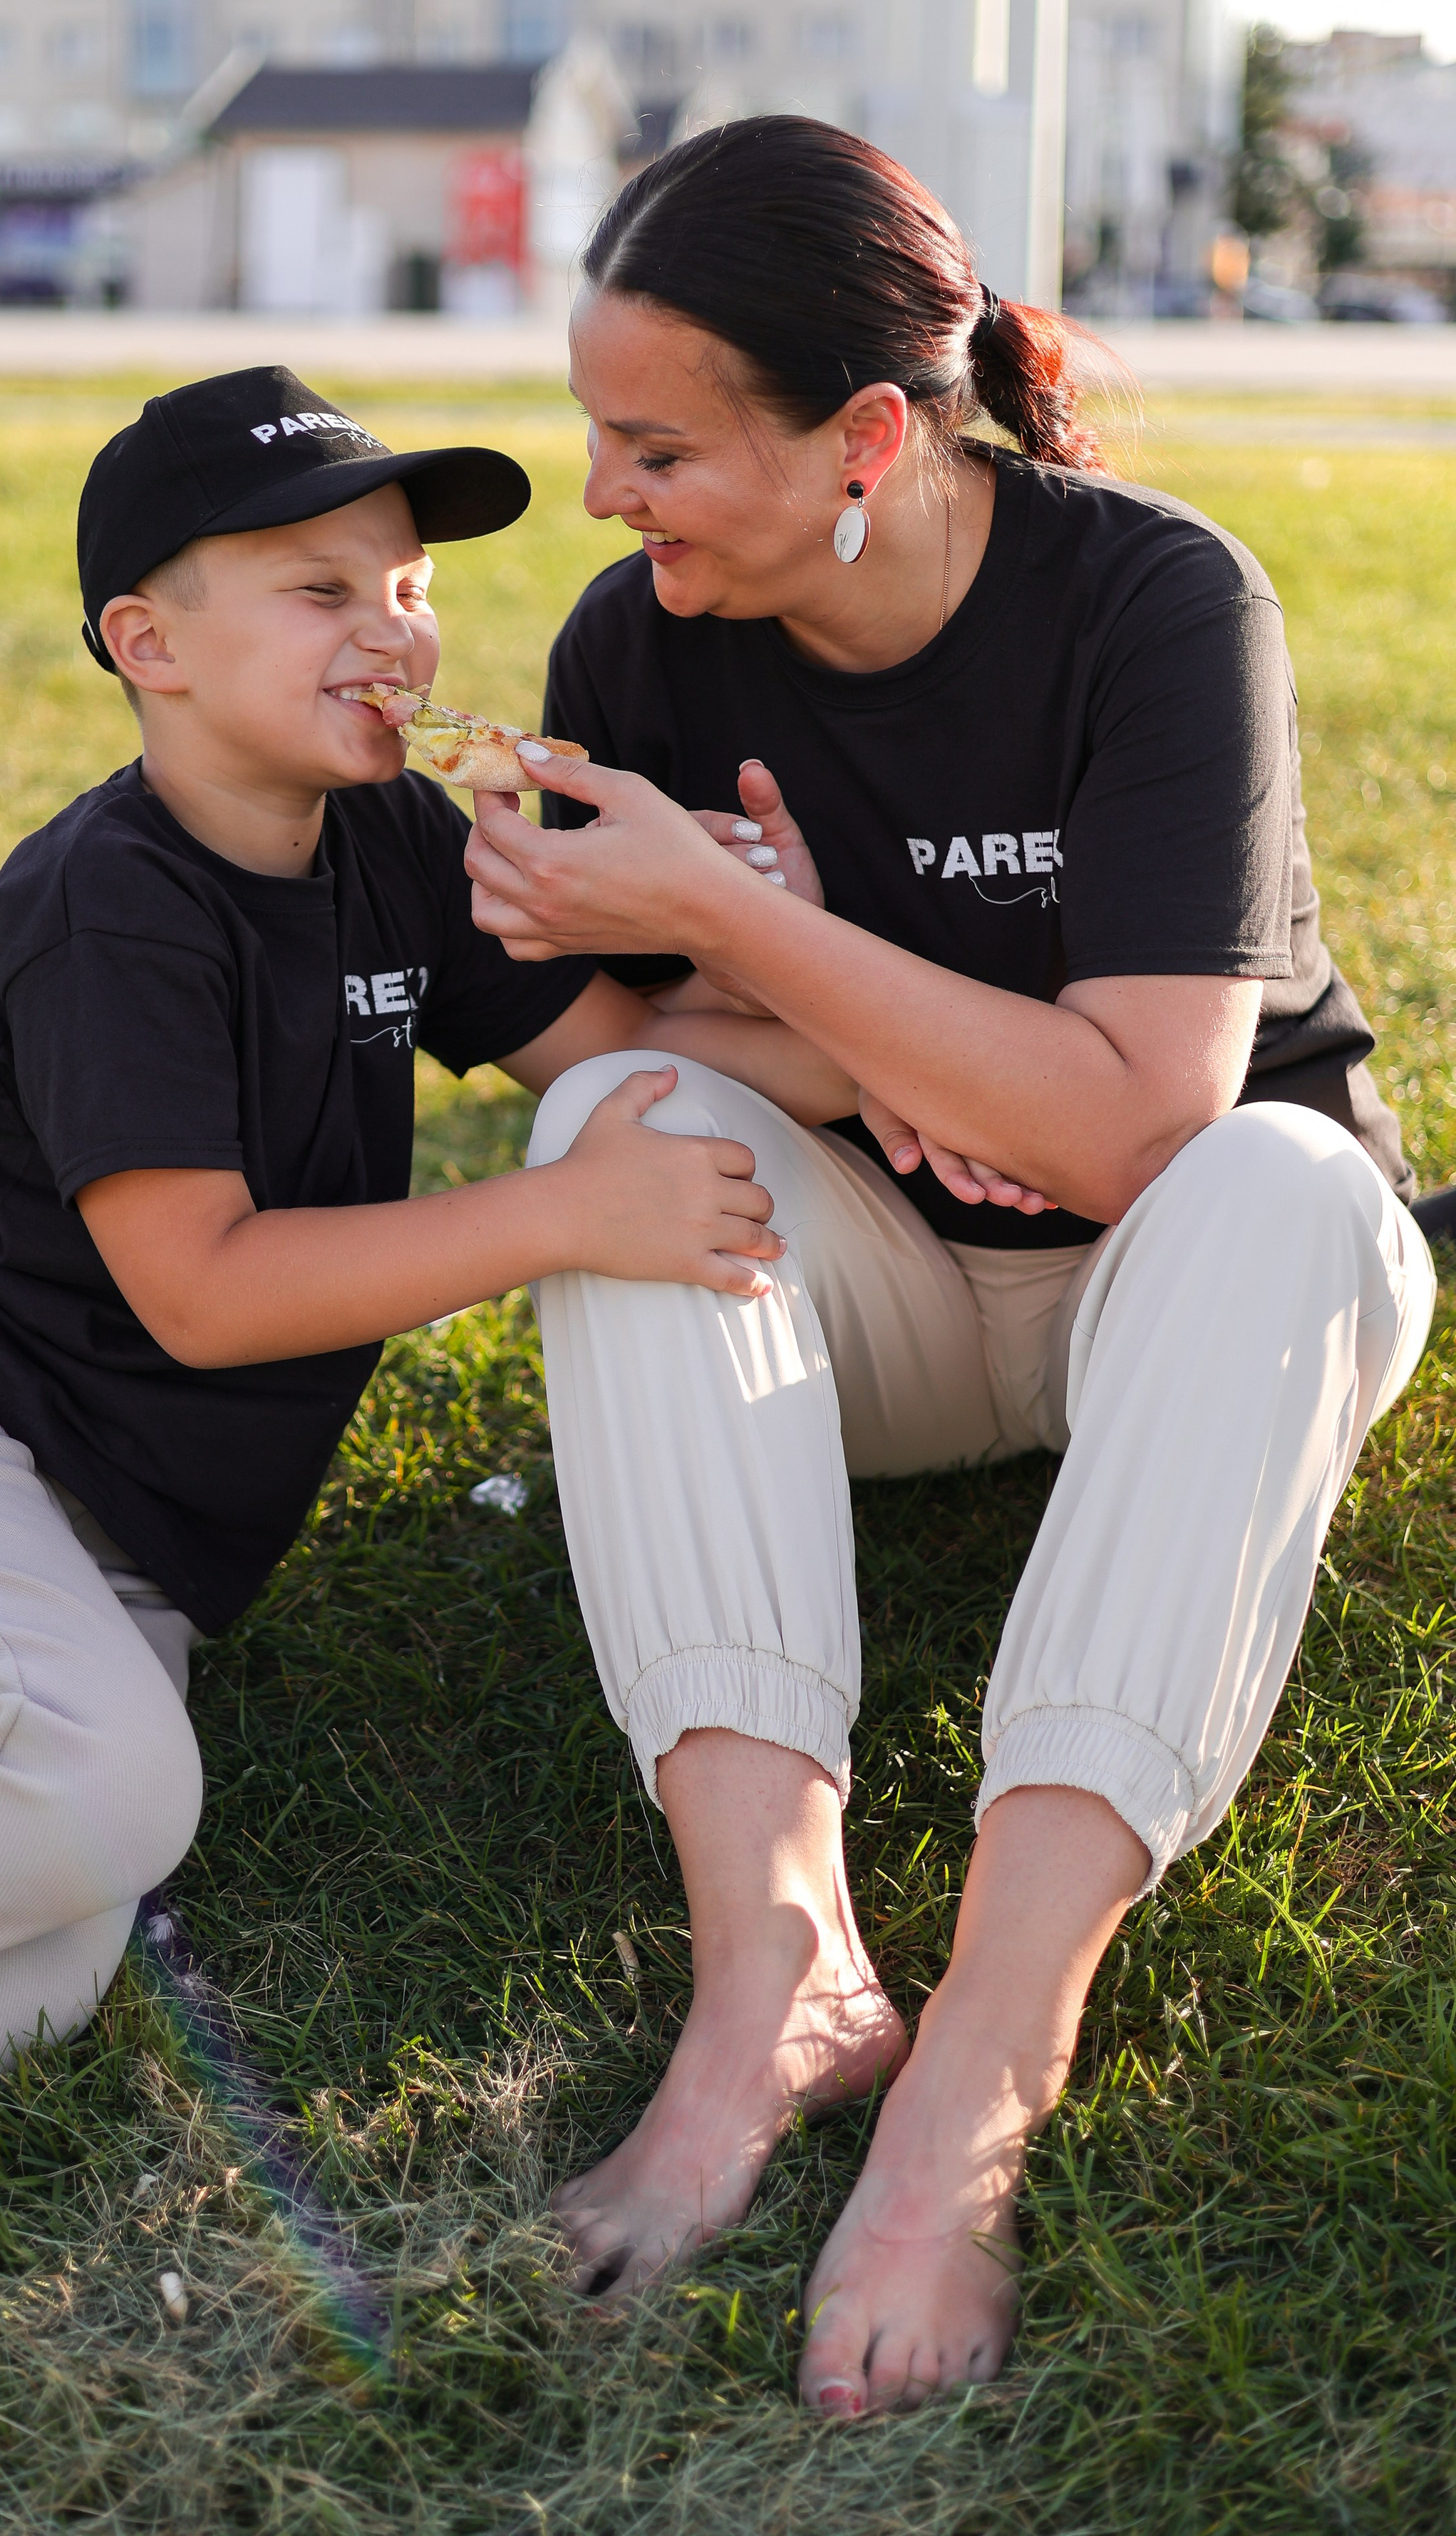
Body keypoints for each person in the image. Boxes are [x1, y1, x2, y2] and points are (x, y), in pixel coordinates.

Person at [0, 367, 855, 2309]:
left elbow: (622, 1064)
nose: (394, 630)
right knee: (109, 1792)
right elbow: (198, 1287)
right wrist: (550, 1216)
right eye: (319, 591)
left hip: (104, 1550)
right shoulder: (108, 901)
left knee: (48, 1927)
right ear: (149, 645)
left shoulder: (381, 849)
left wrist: (752, 938)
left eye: (412, 585)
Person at [454, 122, 1438, 2417]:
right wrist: (764, 1012)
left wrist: (739, 921)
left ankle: (989, 2050)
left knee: (1288, 1185)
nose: (606, 496)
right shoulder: (651, 643)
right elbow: (609, 1038)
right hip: (898, 1289)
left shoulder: (1159, 603)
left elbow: (1140, 1118)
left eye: (660, 445)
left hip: (1179, 1304)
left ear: (870, 441)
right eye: (602, 432)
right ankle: (773, 1966)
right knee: (622, 1132)